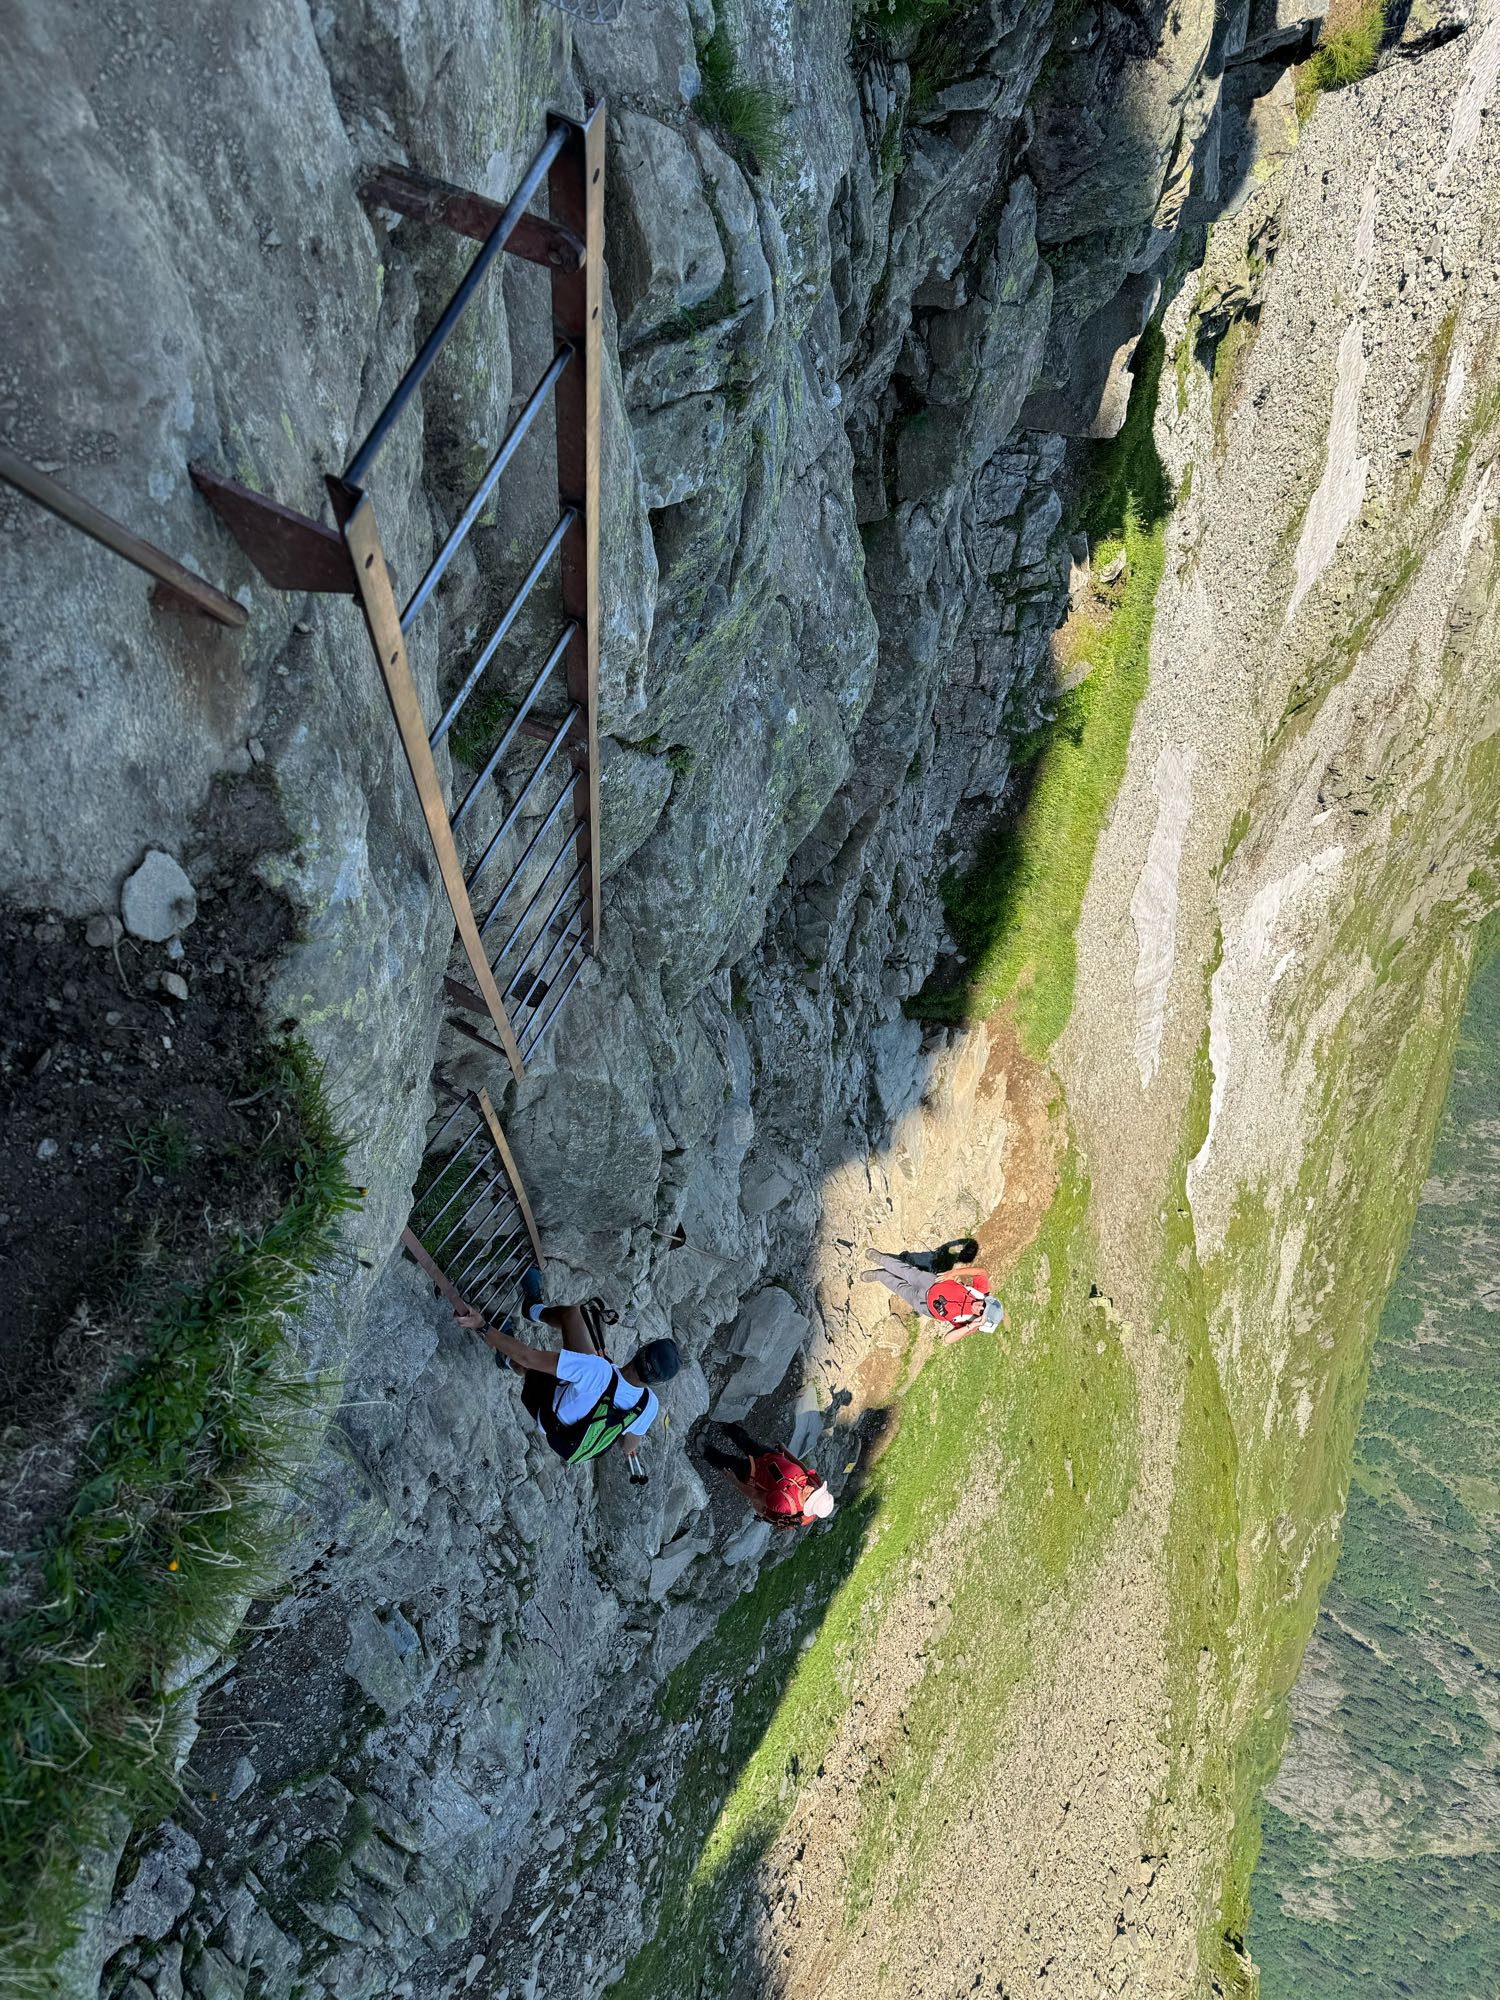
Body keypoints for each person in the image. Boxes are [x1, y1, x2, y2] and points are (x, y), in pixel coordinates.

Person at [457, 1272, 679, 1467]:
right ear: (656, 1382)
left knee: (528, 1365)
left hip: (550, 1418)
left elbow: (528, 1356)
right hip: (575, 1436)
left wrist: (481, 1325)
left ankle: (505, 1358)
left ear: (642, 1348)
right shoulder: (648, 1406)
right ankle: (531, 1308)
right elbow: (627, 1445)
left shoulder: (598, 1371)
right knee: (572, 1316)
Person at [700, 1422, 836, 1529]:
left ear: (808, 1504)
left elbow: (755, 1495)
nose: (812, 1488)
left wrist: (735, 1481)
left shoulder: (784, 1504)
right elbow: (801, 1467)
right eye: (817, 1490)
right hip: (769, 1457)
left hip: (753, 1475)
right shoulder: (814, 1484)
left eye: (813, 1494)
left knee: (729, 1463)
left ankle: (706, 1451)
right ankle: (728, 1427)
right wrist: (785, 1451)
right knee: (748, 1443)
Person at [860, 1249, 1007, 1344]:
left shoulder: (970, 1325)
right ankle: (881, 1259)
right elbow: (982, 1272)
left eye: (982, 1312)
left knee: (901, 1289)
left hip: (927, 1307)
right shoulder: (981, 1292)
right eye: (984, 1304)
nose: (980, 1306)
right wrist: (953, 1274)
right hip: (933, 1283)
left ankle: (879, 1275)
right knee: (907, 1272)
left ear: (982, 1319)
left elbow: (947, 1339)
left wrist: (972, 1326)